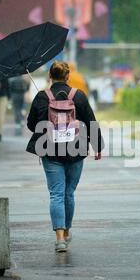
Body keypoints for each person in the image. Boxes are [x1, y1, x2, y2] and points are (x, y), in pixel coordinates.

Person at [26, 61, 104, 252]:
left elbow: (31, 125)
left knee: (56, 194)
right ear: (68, 76)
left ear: (50, 77)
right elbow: (91, 122)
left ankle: (59, 238)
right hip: (75, 150)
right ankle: (67, 232)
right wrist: (98, 147)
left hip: (50, 150)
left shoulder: (41, 96)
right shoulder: (78, 96)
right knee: (69, 193)